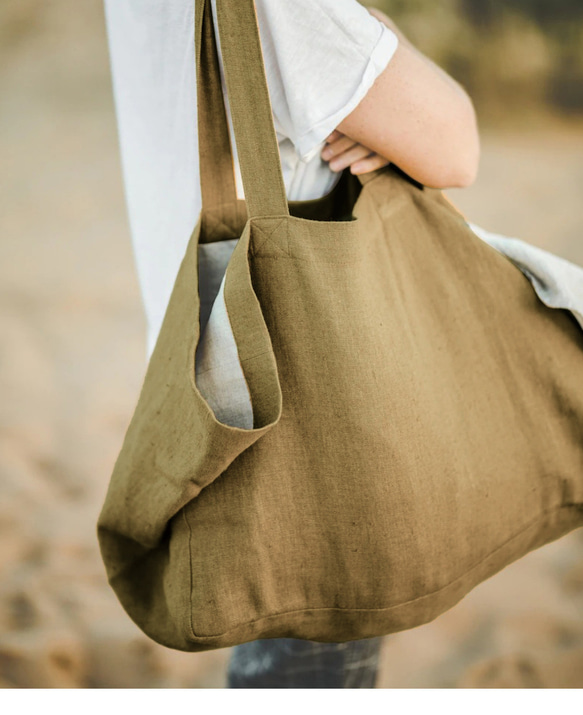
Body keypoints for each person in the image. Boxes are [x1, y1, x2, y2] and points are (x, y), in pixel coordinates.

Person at [102, 0, 479, 688]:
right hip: (318, 412)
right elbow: (456, 145)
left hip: (209, 384)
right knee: (314, 658)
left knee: (277, 649)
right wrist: (373, 69)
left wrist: (358, 94)